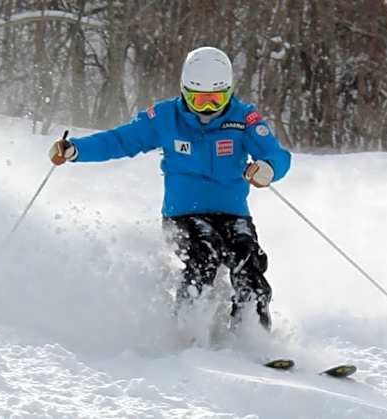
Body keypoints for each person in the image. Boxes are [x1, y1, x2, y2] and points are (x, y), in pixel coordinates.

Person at [47, 47, 291, 331]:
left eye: (216, 99)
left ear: (229, 92)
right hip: (183, 215)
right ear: (185, 92)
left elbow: (277, 155)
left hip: (233, 214)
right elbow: (120, 140)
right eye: (199, 100)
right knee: (204, 254)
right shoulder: (165, 118)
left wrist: (268, 168)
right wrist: (76, 150)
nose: (208, 109)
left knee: (248, 262)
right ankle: (188, 331)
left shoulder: (244, 119)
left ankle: (251, 336)